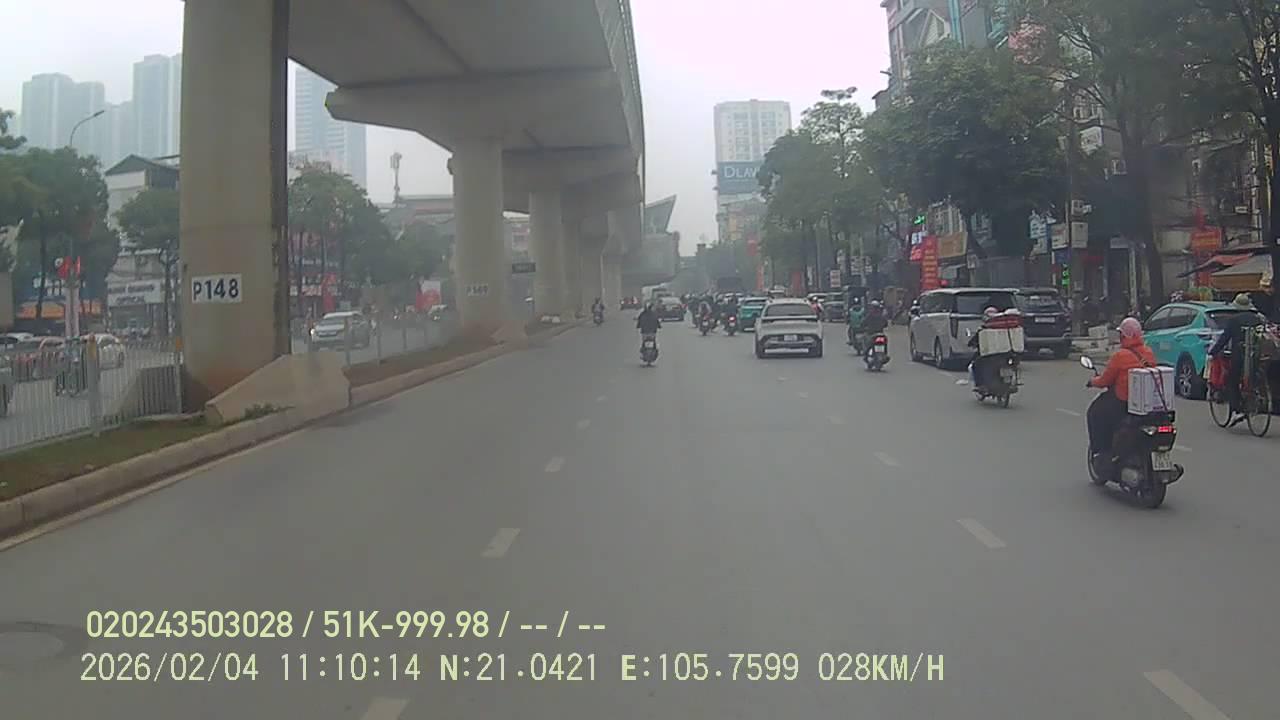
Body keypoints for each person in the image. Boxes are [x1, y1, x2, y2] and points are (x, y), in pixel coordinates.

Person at [1086, 317, 1156, 465]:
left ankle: (1102, 451)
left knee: (1095, 412)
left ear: (1124, 336)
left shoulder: (1120, 356)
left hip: (1122, 402)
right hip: (1146, 404)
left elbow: (1105, 380)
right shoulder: (1148, 352)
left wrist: (1092, 382)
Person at [1208, 293, 1264, 421]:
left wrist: (1213, 351)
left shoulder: (1234, 320)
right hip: (1256, 356)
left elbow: (1224, 338)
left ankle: (1236, 410)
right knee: (1253, 376)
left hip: (1240, 356)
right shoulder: (1257, 319)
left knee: (1231, 380)